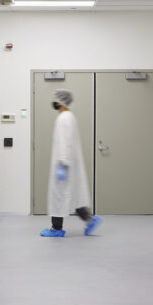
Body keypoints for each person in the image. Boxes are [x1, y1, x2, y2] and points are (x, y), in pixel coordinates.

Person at [41, 89, 103, 237]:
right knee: (72, 194)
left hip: (64, 165)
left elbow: (64, 143)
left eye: (55, 99)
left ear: (61, 101)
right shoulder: (70, 116)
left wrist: (62, 163)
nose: (54, 102)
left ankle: (56, 229)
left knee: (59, 196)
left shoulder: (63, 118)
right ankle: (89, 219)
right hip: (70, 164)